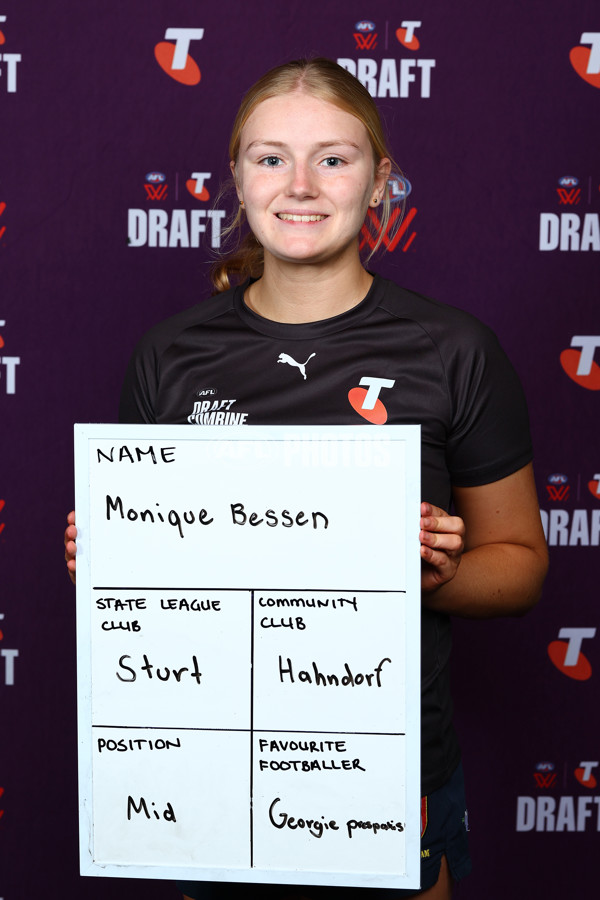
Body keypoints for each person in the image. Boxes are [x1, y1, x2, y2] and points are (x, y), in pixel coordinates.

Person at [64, 57, 548, 900]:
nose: (300, 184)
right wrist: (113, 561)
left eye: (333, 157)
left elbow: (521, 566)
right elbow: (153, 592)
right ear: (238, 180)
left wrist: (420, 573)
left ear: (380, 181)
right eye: (270, 157)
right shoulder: (170, 355)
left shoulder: (454, 351)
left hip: (391, 768)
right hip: (213, 770)